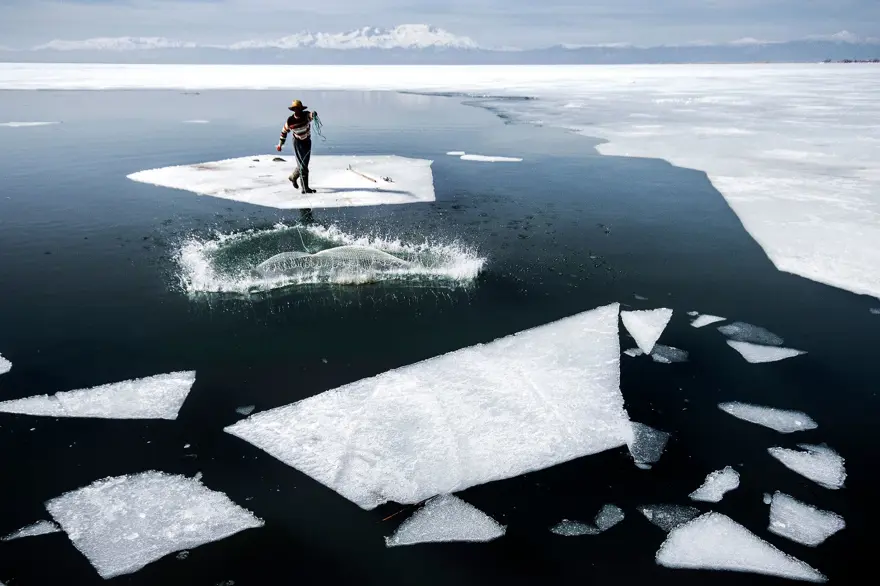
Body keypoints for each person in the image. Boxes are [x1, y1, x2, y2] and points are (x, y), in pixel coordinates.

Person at [276, 99, 317, 194]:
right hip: (297, 143)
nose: (297, 110)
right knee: (303, 166)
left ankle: (293, 177)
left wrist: (314, 114)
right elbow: (284, 132)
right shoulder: (290, 121)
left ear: (301, 109)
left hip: (307, 142)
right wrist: (280, 145)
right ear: (293, 110)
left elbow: (311, 115)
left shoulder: (306, 116)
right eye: (295, 109)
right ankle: (305, 188)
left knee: (303, 165)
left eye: (299, 109)